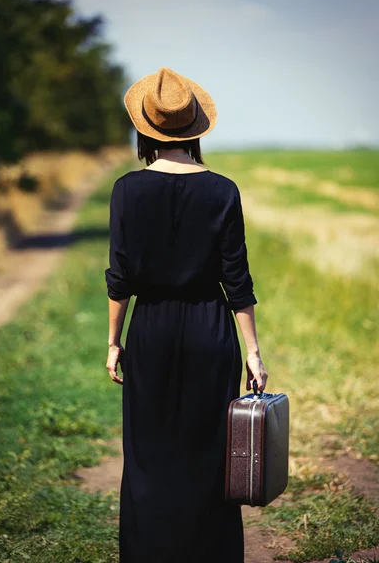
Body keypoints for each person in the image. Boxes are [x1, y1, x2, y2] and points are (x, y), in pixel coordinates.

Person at [105, 67, 268, 563]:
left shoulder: (127, 191)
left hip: (150, 329)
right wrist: (254, 352)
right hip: (210, 330)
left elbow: (120, 279)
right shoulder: (223, 190)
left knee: (149, 457)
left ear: (145, 130)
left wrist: (114, 341)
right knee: (209, 455)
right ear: (194, 129)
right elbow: (236, 280)